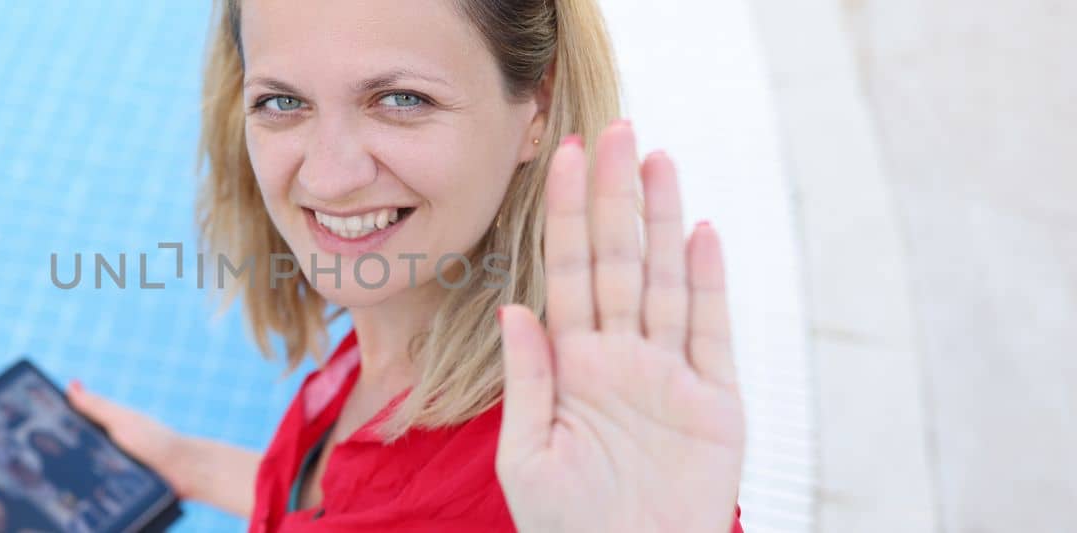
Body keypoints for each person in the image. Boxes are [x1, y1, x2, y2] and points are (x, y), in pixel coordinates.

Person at [69, 0, 747, 531]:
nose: (330, 178)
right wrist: (187, 465)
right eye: (282, 102)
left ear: (536, 104)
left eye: (402, 100)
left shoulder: (575, 460)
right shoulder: (403, 310)